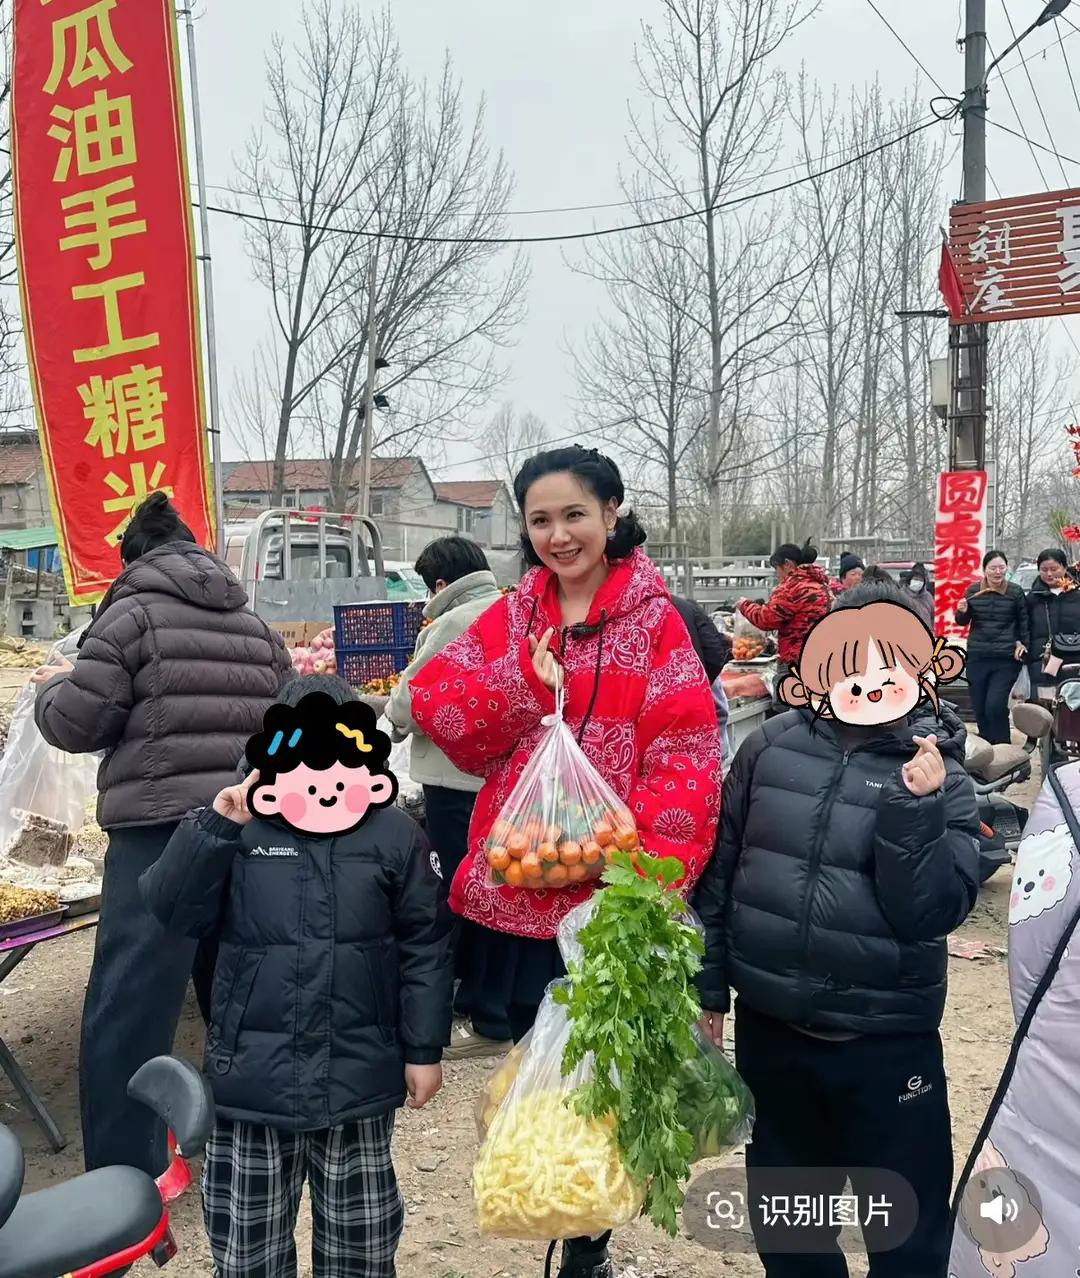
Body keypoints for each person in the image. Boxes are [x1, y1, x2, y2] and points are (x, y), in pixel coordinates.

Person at [410, 444, 721, 1278]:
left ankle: (589, 1243)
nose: (559, 535)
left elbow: (686, 754)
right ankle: (547, 1194)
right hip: (521, 886)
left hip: (605, 902)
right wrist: (521, 680)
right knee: (531, 1058)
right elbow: (441, 711)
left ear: (612, 513)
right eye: (540, 520)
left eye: (575, 514)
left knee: (606, 1076)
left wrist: (643, 879)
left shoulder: (655, 622)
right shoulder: (515, 616)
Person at [695, 580, 980, 1278]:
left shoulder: (943, 777)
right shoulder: (769, 747)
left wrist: (915, 809)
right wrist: (710, 984)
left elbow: (931, 912)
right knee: (792, 1229)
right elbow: (722, 871)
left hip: (885, 1040)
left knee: (906, 1234)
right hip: (773, 1028)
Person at [141, 684, 451, 1278]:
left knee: (360, 1246)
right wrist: (216, 827)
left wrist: (423, 1049)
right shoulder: (237, 826)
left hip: (357, 1076)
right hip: (251, 1081)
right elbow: (171, 909)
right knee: (248, 1249)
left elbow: (426, 945)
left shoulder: (394, 835)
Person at [31, 492, 293, 1177]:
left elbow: (78, 722)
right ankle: (246, 1147)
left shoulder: (130, 615)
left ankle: (128, 1172)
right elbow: (286, 726)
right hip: (244, 827)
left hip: (159, 835)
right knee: (236, 991)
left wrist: (52, 688)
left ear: (134, 558)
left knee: (132, 1004)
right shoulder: (256, 626)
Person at [385, 535, 507, 1060]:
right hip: (496, 778)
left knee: (461, 889)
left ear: (440, 583)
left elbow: (412, 698)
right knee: (495, 883)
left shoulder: (454, 622)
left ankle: (485, 1010)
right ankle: (483, 999)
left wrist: (389, 718)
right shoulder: (508, 608)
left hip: (456, 780)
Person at [734, 539, 830, 703]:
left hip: (795, 661)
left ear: (787, 564)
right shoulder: (820, 585)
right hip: (819, 658)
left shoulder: (791, 587)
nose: (777, 574)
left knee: (786, 708)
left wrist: (744, 605)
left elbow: (766, 619)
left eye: (776, 568)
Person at [956, 549, 1029, 745]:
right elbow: (963, 621)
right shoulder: (973, 590)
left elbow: (1024, 622)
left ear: (1007, 569)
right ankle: (987, 748)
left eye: (1001, 568)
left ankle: (1003, 748)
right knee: (979, 707)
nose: (998, 572)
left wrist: (1023, 644)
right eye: (993, 568)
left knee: (995, 706)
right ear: (984, 570)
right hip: (977, 657)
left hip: (1005, 658)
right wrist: (961, 612)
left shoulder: (1015, 592)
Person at [671, 594, 733, 774]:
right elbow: (715, 653)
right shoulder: (686, 606)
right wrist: (701, 684)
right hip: (698, 724)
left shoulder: (624, 612)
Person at [1025, 547, 1080, 704]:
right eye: (1044, 570)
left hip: (1074, 659)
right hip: (1042, 660)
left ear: (1064, 567)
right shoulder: (1032, 599)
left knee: (1072, 706)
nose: (1049, 574)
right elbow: (1024, 628)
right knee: (1043, 706)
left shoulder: (1077, 595)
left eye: (1054, 569)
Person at [902, 562, 934, 627]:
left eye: (921, 580)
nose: (918, 582)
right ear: (910, 579)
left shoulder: (928, 597)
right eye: (916, 579)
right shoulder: (900, 596)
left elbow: (933, 616)